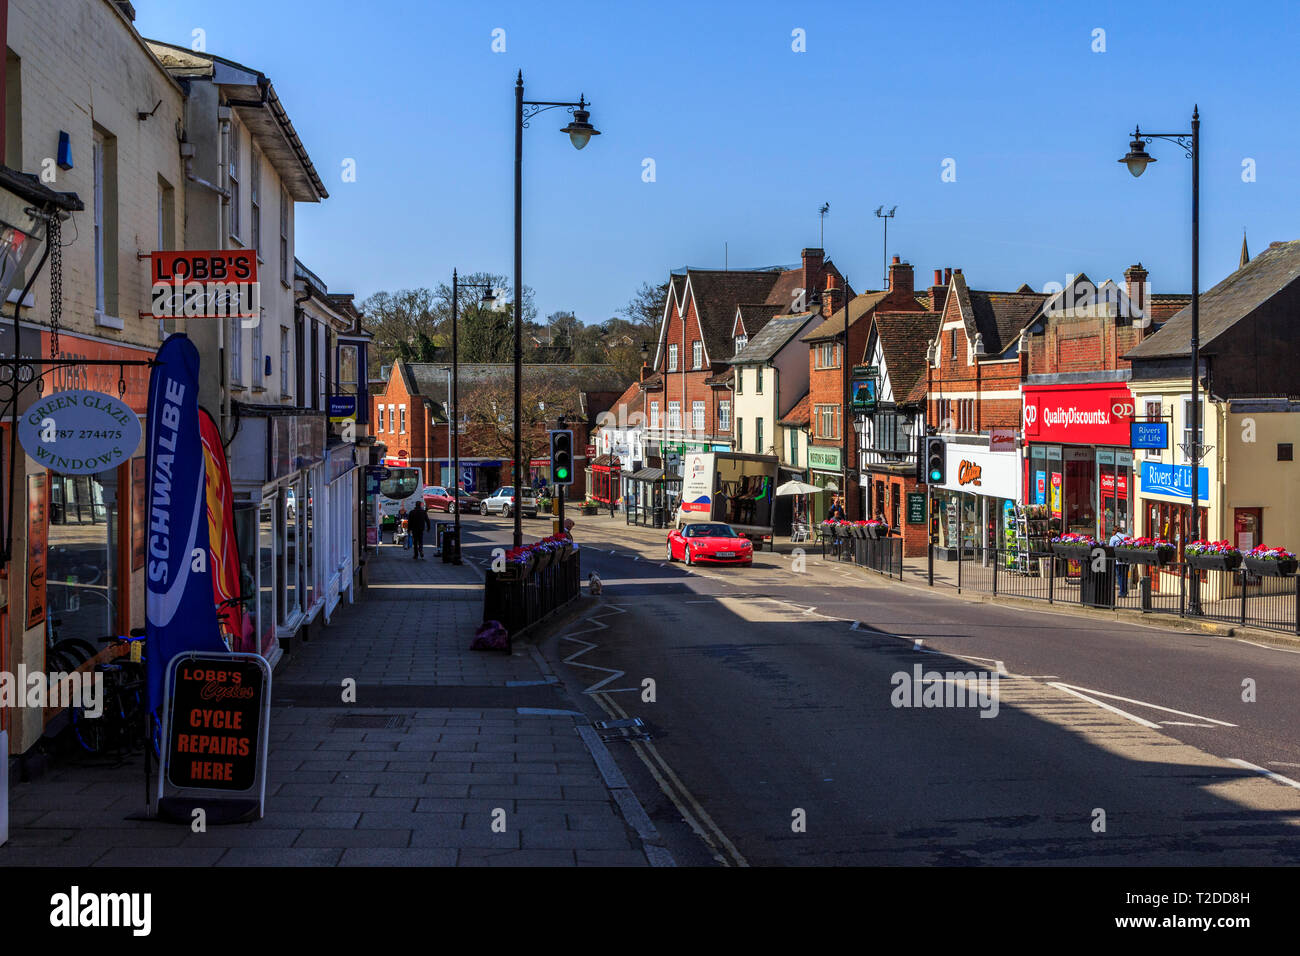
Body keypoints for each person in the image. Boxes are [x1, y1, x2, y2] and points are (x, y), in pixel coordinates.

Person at [1109, 520, 1129, 598]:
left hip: (1118, 560)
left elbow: (1111, 548)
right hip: (1127, 559)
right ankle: (1125, 591)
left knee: (1120, 576)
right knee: (1125, 576)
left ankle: (1122, 592)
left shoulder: (1113, 538)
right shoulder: (1126, 536)